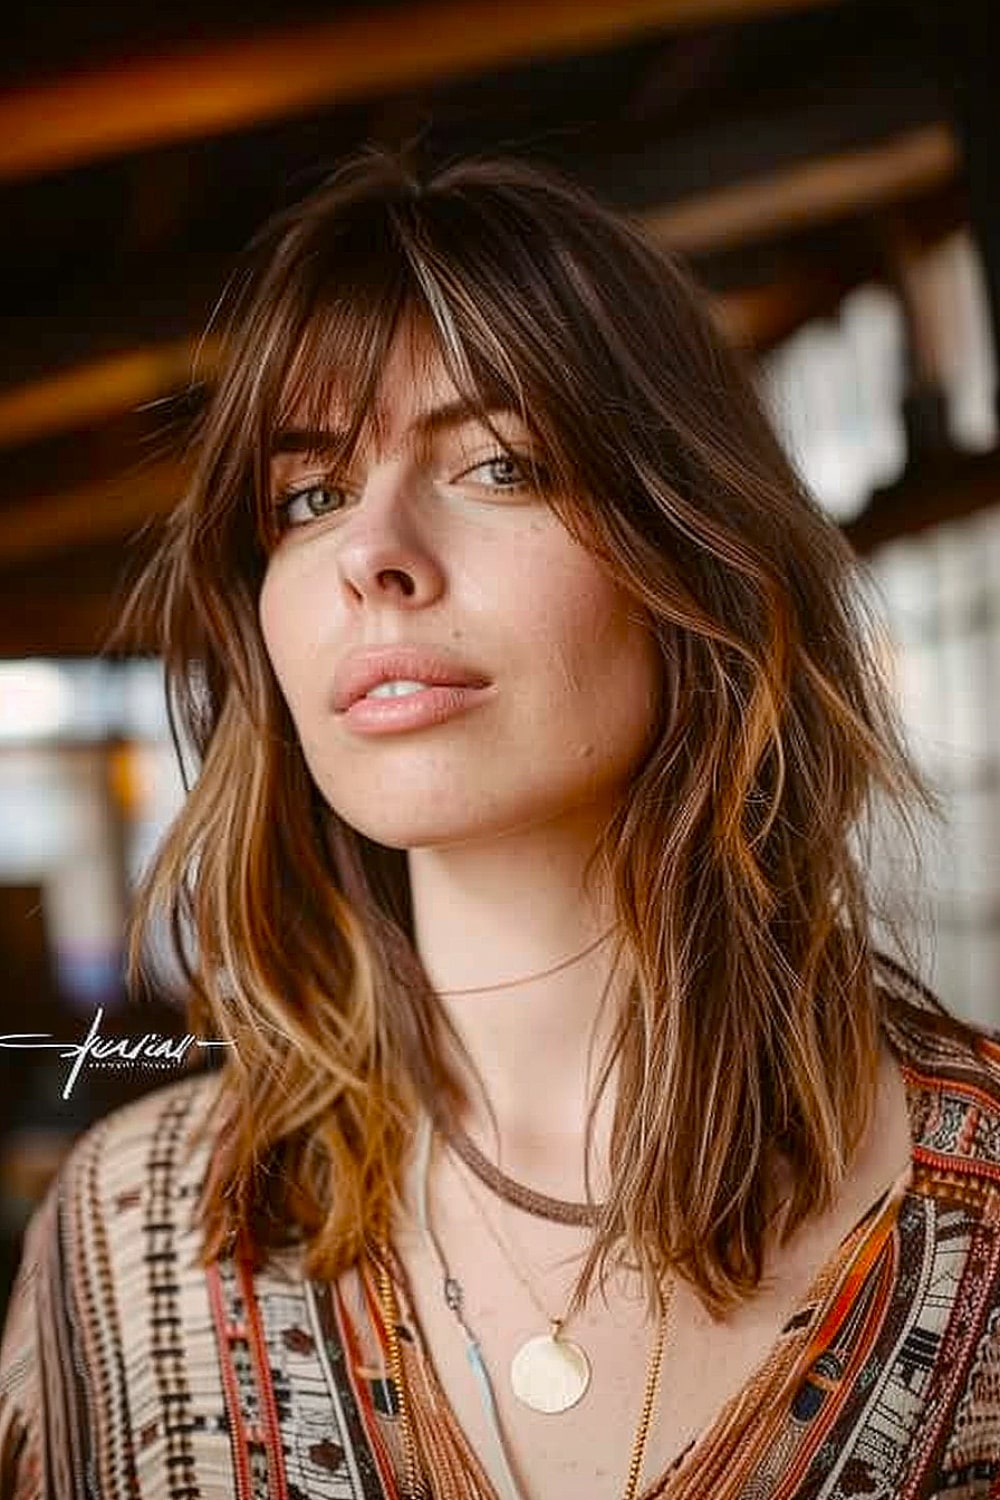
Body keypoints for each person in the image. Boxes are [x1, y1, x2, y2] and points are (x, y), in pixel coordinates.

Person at [1, 147, 999, 1500]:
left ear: (694, 556)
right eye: (310, 496)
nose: (372, 554)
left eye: (501, 467)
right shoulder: (128, 1241)